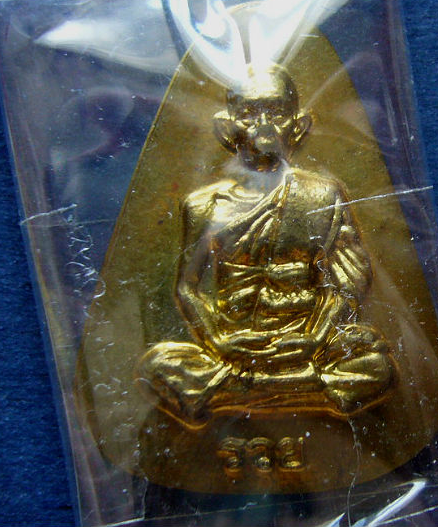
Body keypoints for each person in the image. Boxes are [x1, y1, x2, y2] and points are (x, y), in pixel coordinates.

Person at [136, 65, 395, 429]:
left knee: (376, 367)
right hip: (234, 348)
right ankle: (296, 389)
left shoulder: (323, 195)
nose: (263, 126)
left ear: (299, 125)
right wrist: (219, 341)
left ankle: (238, 393)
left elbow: (347, 284)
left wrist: (315, 339)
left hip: (304, 345)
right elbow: (186, 287)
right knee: (158, 367)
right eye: (248, 114)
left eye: (275, 113)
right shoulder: (205, 206)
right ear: (226, 128)